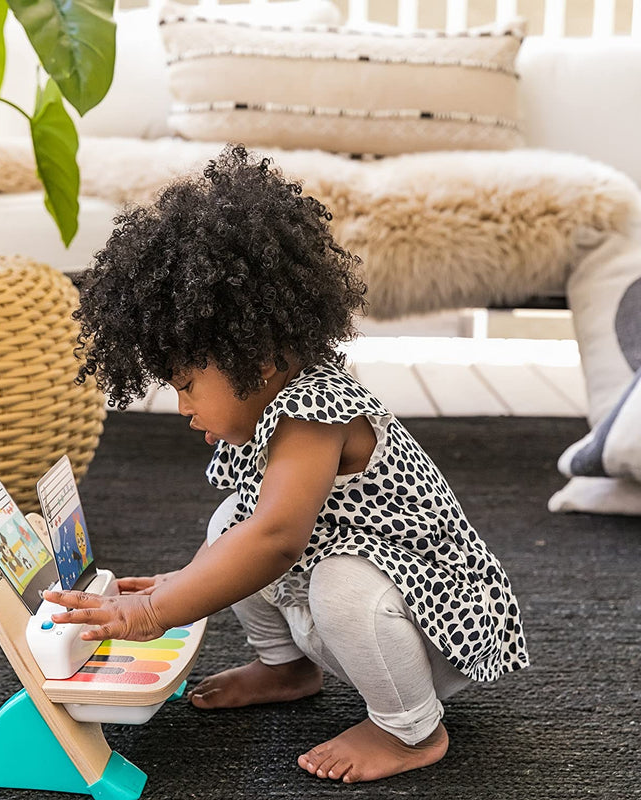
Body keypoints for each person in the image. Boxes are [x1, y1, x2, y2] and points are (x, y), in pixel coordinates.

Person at [43, 144, 530, 784]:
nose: (182, 405)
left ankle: (411, 728)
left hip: (438, 622)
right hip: (368, 603)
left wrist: (155, 614)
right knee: (230, 522)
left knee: (315, 572)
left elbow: (277, 541)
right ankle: (286, 667)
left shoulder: (314, 411)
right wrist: (175, 580)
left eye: (188, 383)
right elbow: (254, 530)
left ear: (262, 357)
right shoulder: (272, 402)